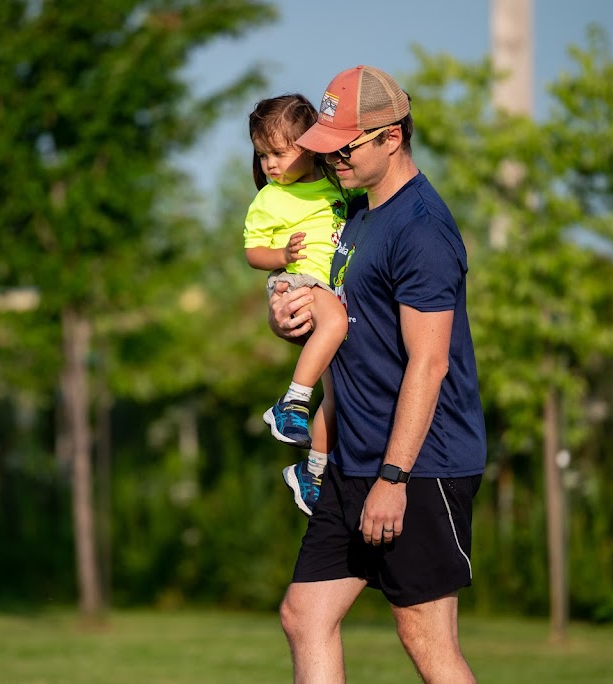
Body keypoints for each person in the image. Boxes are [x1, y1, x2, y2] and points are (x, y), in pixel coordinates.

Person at [268, 65, 487, 682]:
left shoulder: (422, 230)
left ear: (391, 137)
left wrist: (394, 477)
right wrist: (286, 310)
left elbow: (431, 360)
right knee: (304, 614)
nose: (331, 156)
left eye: (346, 144)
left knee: (424, 636)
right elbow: (337, 312)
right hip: (352, 461)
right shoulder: (358, 215)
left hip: (419, 465)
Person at [243, 94, 353, 516]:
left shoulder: (335, 188)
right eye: (262, 155)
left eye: (279, 153)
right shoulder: (269, 199)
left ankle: (311, 471)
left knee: (340, 397)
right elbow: (254, 253)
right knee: (335, 322)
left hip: (330, 287)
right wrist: (283, 257)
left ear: (308, 146)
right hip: (297, 283)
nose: (270, 164)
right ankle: (290, 403)